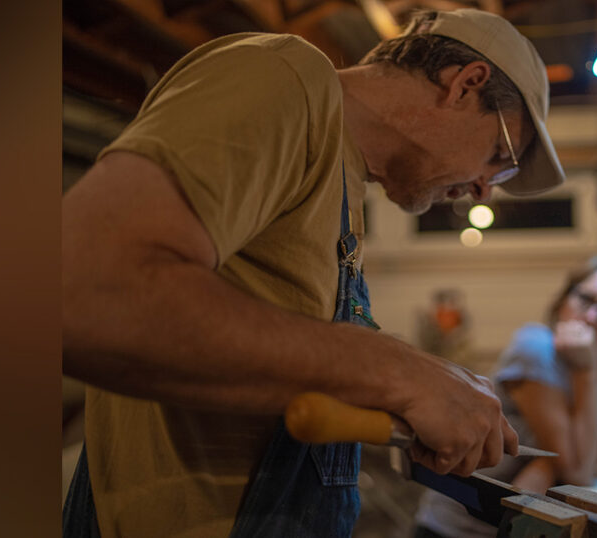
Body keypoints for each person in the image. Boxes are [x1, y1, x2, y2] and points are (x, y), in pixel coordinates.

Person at [61, 8, 565, 538]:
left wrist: (416, 397)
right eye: (499, 156)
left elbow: (270, 353)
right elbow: (89, 286)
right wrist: (396, 371)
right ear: (465, 85)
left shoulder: (343, 188)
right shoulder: (282, 77)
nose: (486, 190)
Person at [413, 255, 597, 538]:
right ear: (562, 301)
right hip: (457, 528)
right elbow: (579, 472)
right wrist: (587, 372)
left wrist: (549, 465)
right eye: (585, 299)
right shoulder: (535, 350)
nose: (592, 317)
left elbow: (596, 454)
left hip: (517, 526)